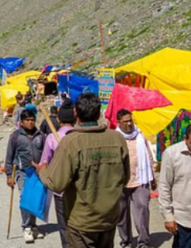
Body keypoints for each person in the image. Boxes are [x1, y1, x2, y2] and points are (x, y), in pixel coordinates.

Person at [38, 92, 130, 248]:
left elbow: (56, 184)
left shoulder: (71, 142)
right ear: (99, 112)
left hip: (82, 223)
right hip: (108, 219)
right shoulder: (117, 139)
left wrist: (42, 171)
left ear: (76, 113)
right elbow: (125, 178)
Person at [115, 109, 156, 248]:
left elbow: (149, 155)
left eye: (130, 120)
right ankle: (126, 241)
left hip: (140, 179)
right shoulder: (114, 137)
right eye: (125, 121)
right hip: (120, 182)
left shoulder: (140, 135)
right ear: (118, 122)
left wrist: (153, 176)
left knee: (143, 210)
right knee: (121, 214)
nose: (129, 123)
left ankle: (143, 242)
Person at [40, 100, 78, 248]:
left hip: (60, 190)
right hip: (80, 189)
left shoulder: (51, 138)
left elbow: (45, 163)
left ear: (58, 119)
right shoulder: (80, 136)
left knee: (64, 226)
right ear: (75, 120)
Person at [6, 108, 47, 243]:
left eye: (32, 120)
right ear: (21, 122)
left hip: (38, 173)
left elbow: (46, 154)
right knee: (25, 198)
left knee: (34, 198)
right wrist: (8, 175)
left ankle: (34, 226)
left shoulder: (41, 135)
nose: (30, 122)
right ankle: (27, 227)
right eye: (27, 120)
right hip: (22, 172)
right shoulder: (16, 136)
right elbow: (9, 156)